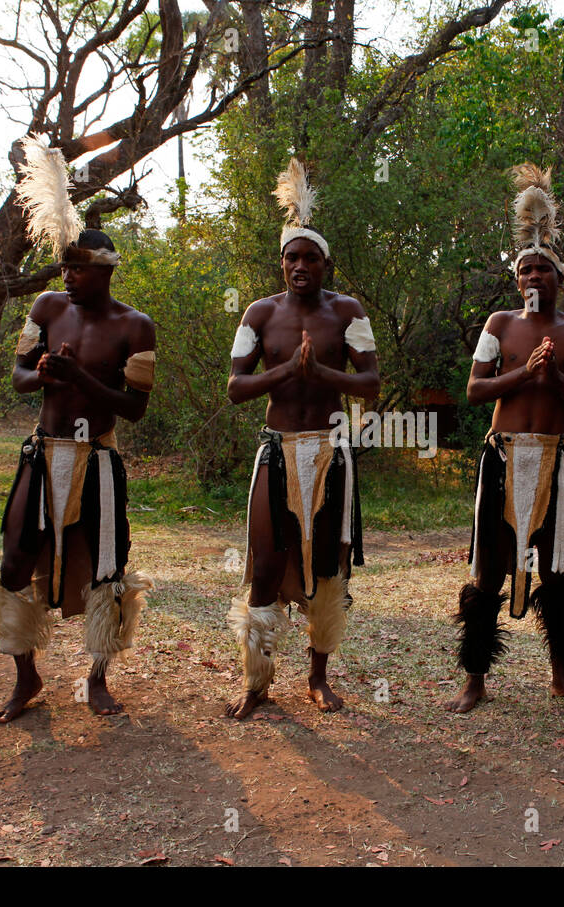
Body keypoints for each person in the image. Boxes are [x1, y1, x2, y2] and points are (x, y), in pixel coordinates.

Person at [0, 137, 154, 723]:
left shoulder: (135, 326)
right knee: (15, 561)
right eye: (64, 267)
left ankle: (97, 677)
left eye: (78, 268)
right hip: (42, 454)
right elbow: (18, 378)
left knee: (107, 565)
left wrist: (81, 377)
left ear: (104, 270)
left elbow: (133, 409)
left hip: (98, 459)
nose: (68, 276)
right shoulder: (46, 308)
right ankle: (26, 676)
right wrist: (40, 374)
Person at [446, 164, 564, 714]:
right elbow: (475, 390)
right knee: (489, 568)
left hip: (554, 459)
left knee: (555, 567)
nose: (534, 276)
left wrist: (557, 380)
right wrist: (525, 373)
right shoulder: (499, 324)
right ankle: (475, 679)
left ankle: (562, 676)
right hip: (503, 457)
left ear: (559, 278)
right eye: (525, 270)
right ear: (517, 281)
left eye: (543, 269)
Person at [225, 158, 379, 720]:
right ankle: (257, 681)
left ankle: (318, 677)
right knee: (266, 565)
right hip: (278, 450)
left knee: (328, 569)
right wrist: (288, 371)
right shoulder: (259, 313)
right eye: (291, 257)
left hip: (331, 453)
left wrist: (323, 374)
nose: (299, 265)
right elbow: (236, 387)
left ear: (325, 263)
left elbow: (371, 383)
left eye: (310, 257)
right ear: (282, 262)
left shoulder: (347, 311)